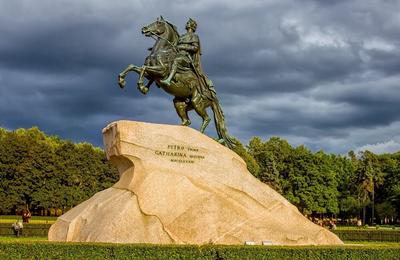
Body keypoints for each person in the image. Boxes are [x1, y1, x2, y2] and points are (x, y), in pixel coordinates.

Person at [161, 18, 215, 98]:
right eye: (187, 23)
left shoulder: (194, 36)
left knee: (176, 61)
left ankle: (169, 79)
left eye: (189, 23)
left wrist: (183, 46)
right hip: (178, 54)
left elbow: (195, 48)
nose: (187, 24)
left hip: (186, 58)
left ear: (192, 26)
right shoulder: (182, 36)